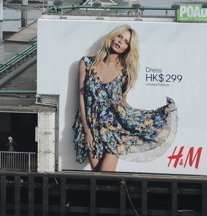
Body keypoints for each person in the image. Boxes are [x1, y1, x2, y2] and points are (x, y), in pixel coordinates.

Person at [72, 24, 176, 173]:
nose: (121, 42)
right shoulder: (87, 63)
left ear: (127, 48)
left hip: (114, 129)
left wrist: (145, 120)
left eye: (126, 42)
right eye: (120, 36)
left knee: (105, 176)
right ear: (113, 36)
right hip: (91, 126)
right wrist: (87, 131)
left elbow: (122, 102)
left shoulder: (124, 72)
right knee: (98, 175)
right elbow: (81, 97)